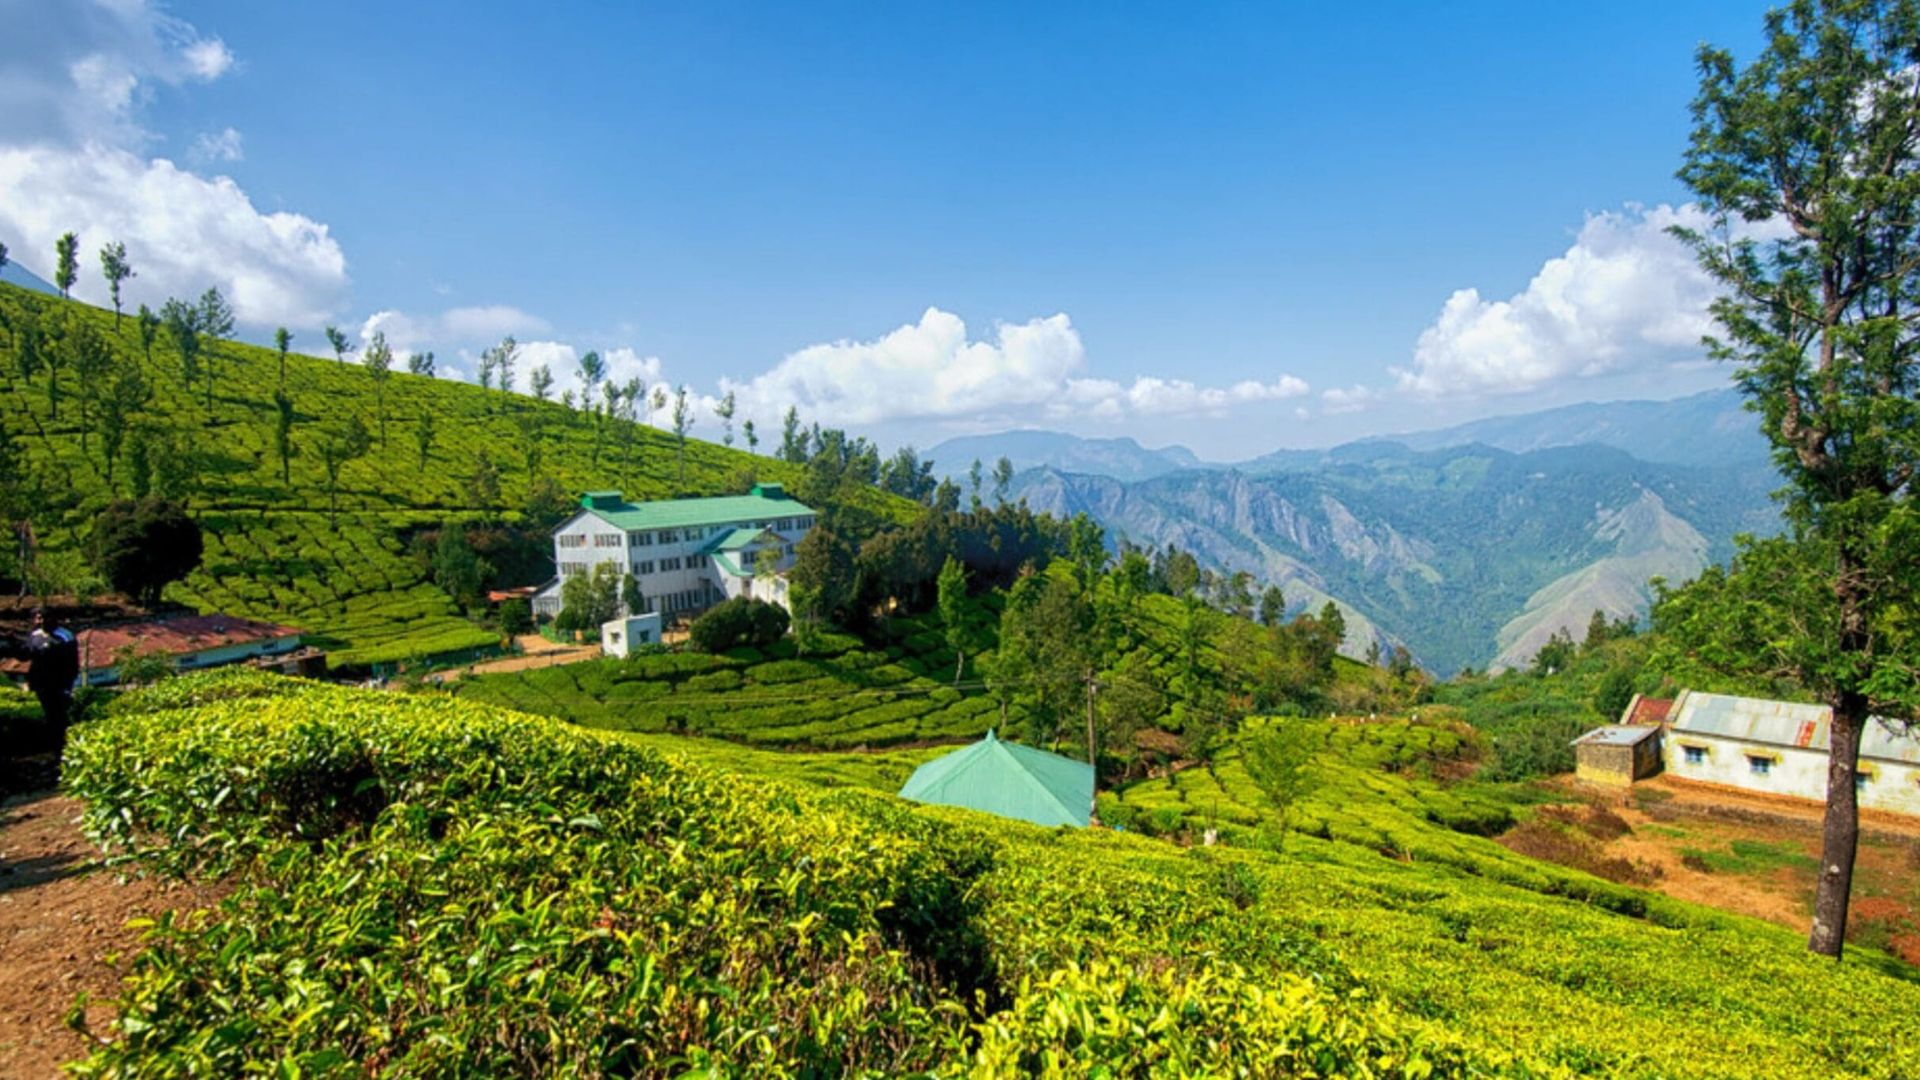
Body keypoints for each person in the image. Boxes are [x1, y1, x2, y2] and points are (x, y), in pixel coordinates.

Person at [5, 609, 80, 751]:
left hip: (58, 685)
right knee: (46, 716)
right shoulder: (35, 635)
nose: (42, 621)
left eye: (45, 618)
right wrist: (12, 642)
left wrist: (67, 686)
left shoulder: (65, 637)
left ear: (55, 618)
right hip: (39, 683)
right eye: (39, 618)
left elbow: (71, 665)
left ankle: (64, 747)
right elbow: (26, 655)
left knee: (59, 717)